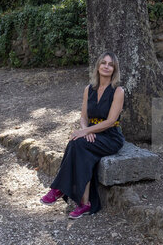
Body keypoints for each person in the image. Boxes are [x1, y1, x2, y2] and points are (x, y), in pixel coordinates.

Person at [40, 51, 125, 219]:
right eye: (104, 63)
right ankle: (84, 204)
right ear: (98, 66)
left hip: (110, 137)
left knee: (76, 142)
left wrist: (86, 131)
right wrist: (86, 129)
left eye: (110, 64)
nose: (106, 66)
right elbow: (83, 117)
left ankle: (58, 189)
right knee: (80, 148)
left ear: (114, 69)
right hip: (92, 133)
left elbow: (110, 121)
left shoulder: (118, 91)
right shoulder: (89, 89)